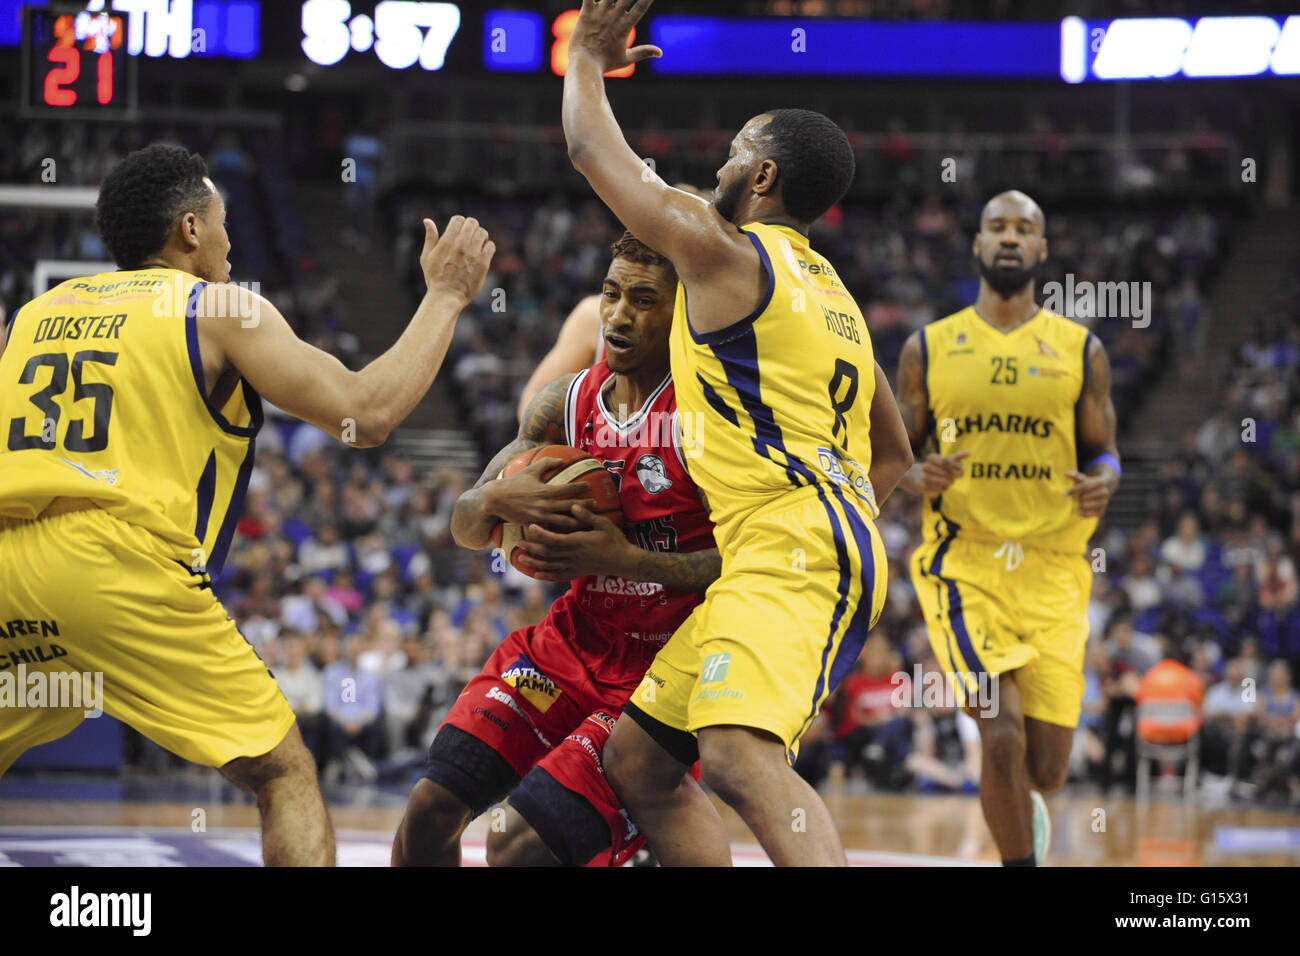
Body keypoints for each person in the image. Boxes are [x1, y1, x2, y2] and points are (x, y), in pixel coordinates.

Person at [0, 143, 495, 865]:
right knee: (283, 772)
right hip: (121, 563)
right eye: (222, 222)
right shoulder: (216, 307)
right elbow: (370, 411)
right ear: (192, 230)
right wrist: (446, 296)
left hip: (13, 568)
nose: (231, 242)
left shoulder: (33, 317)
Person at [562, 0, 914, 866]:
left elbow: (589, 151)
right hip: (799, 538)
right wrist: (842, 519)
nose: (717, 167)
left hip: (792, 543)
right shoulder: (834, 297)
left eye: (733, 154)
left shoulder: (725, 253)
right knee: (638, 761)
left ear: (761, 178)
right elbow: (895, 453)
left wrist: (585, 59)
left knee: (738, 755)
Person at [391, 232, 720, 867]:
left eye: (644, 299)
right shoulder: (565, 402)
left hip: (658, 676)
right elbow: (462, 525)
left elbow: (744, 562)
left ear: (683, 311)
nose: (618, 314)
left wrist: (627, 562)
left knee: (514, 848)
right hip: (568, 644)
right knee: (429, 812)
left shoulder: (711, 415)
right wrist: (495, 502)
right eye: (611, 293)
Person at [893, 190, 1121, 865]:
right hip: (967, 562)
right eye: (997, 226)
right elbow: (895, 453)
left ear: (1043, 249)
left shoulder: (1082, 350)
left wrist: (1106, 478)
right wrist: (913, 475)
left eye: (1025, 228)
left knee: (1046, 768)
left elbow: (1103, 451)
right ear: (978, 244)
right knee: (999, 734)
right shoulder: (927, 348)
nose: (1011, 237)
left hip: (1055, 567)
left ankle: (1024, 812)